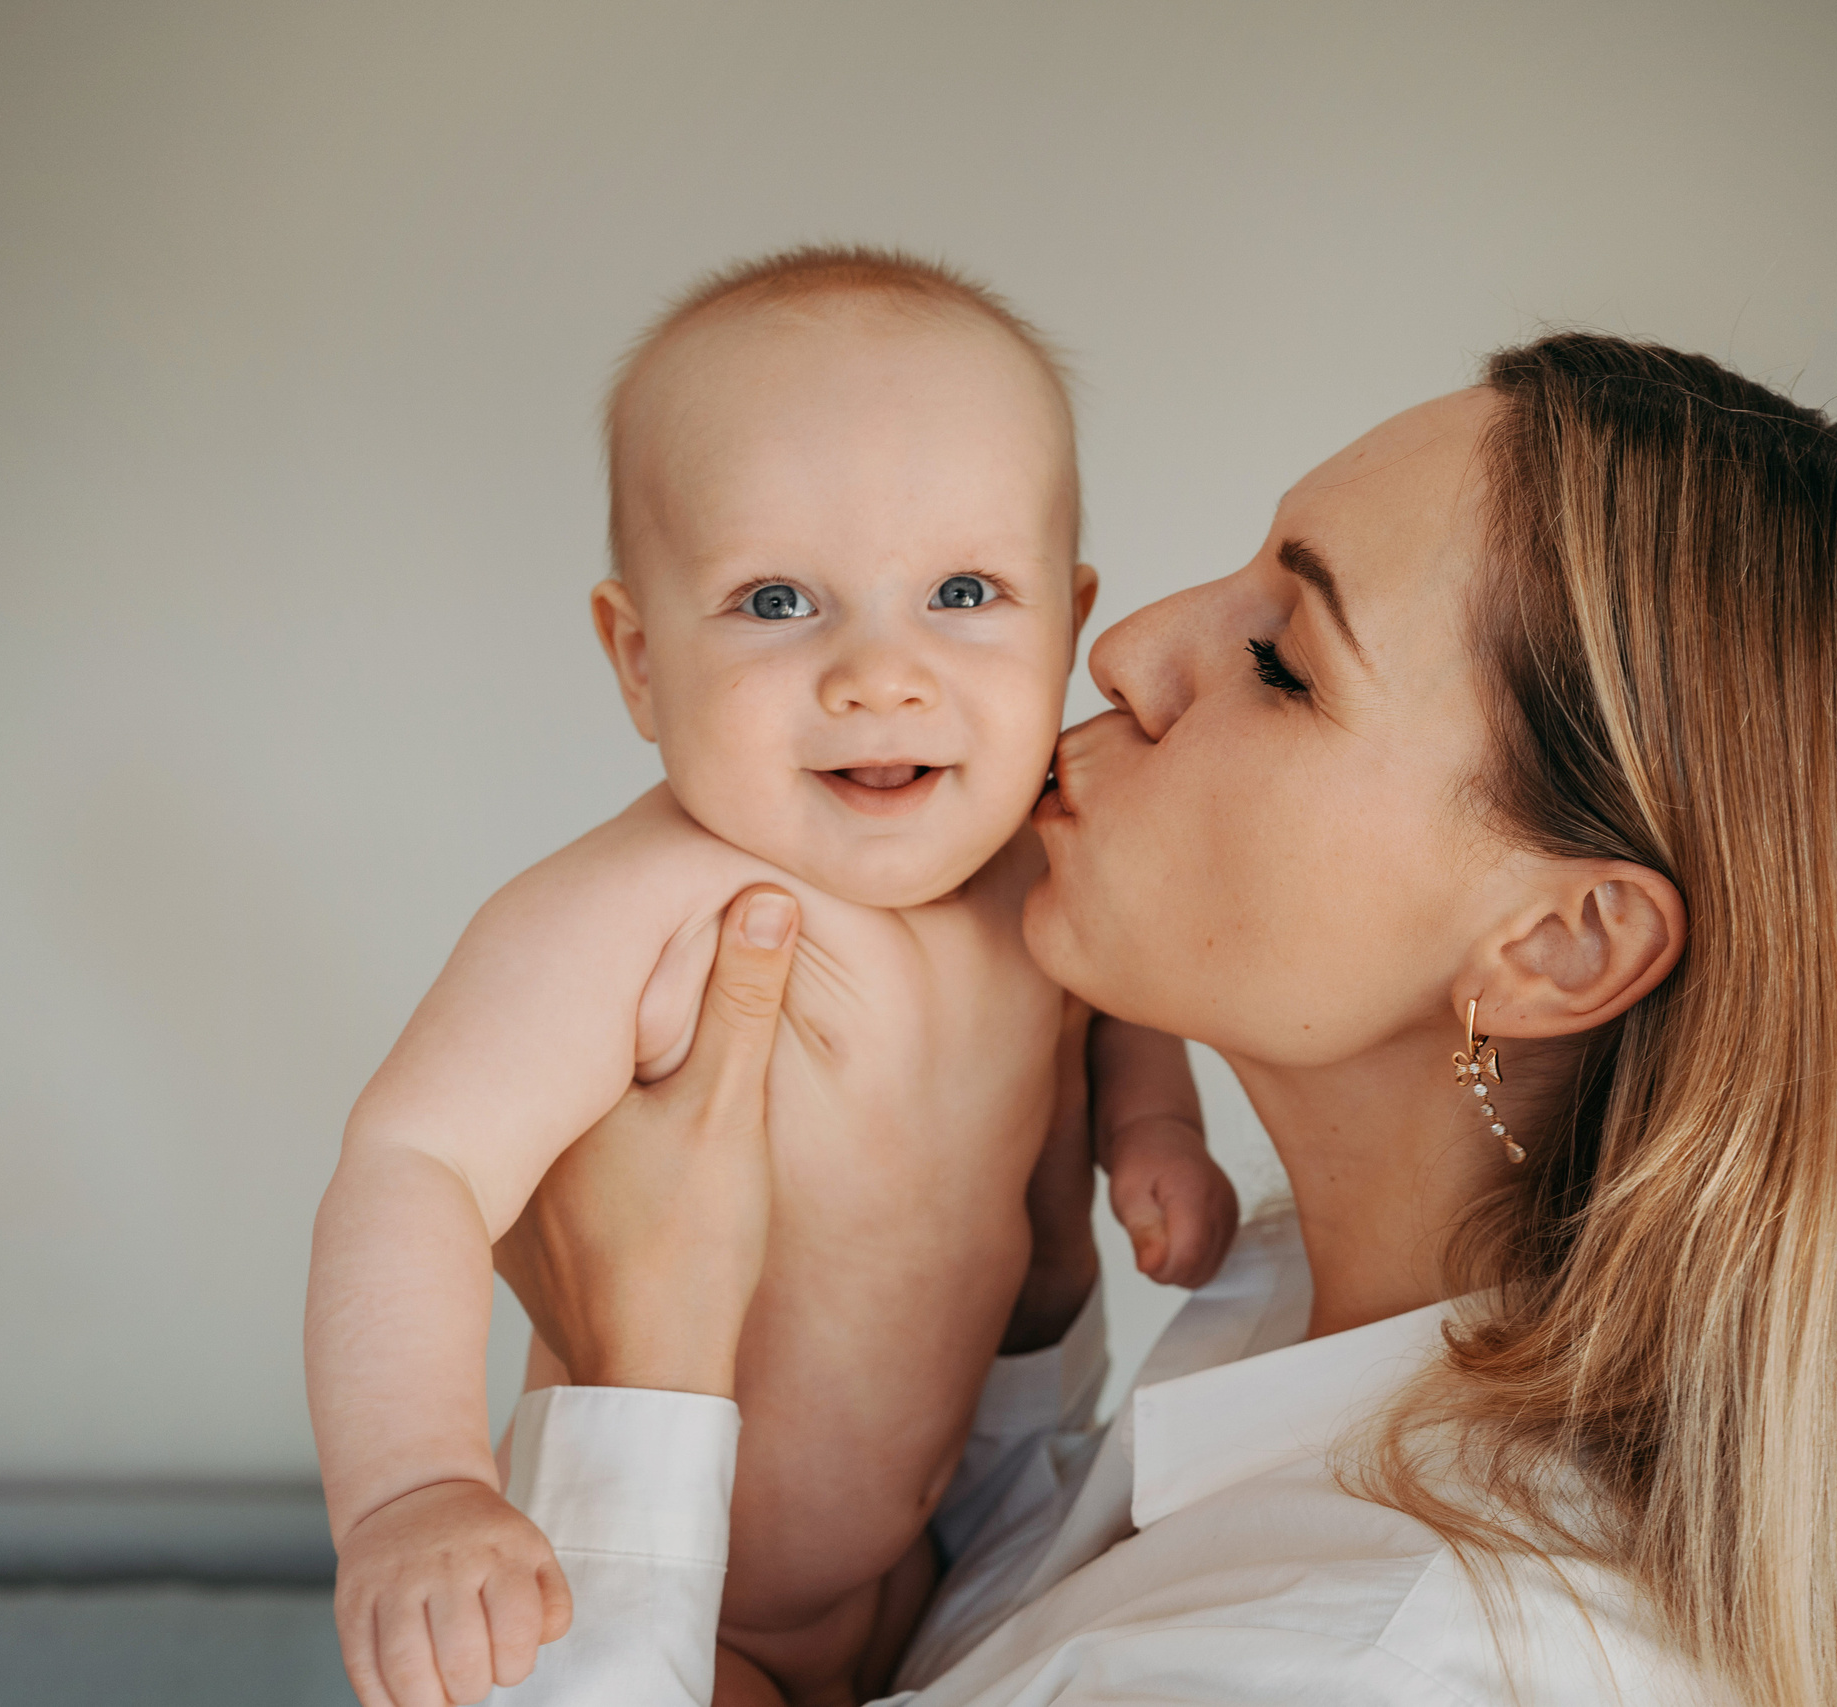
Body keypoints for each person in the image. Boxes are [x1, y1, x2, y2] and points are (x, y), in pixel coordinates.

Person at [487, 334, 1837, 1706]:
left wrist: (636, 1384)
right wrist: (1018, 1339)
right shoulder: (1305, 1323)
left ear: (1562, 944)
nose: (1122, 649)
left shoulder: (1380, 1665)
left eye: (1281, 661)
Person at [306, 248, 1236, 1707]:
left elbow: (1110, 996)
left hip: (921, 1563)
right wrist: (415, 1488)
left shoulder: (1042, 855)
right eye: (779, 601)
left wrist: (1151, 1129)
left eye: (965, 589)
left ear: (1068, 615)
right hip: (673, 1599)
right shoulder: (644, 901)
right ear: (637, 659)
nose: (880, 673)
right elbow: (413, 1161)